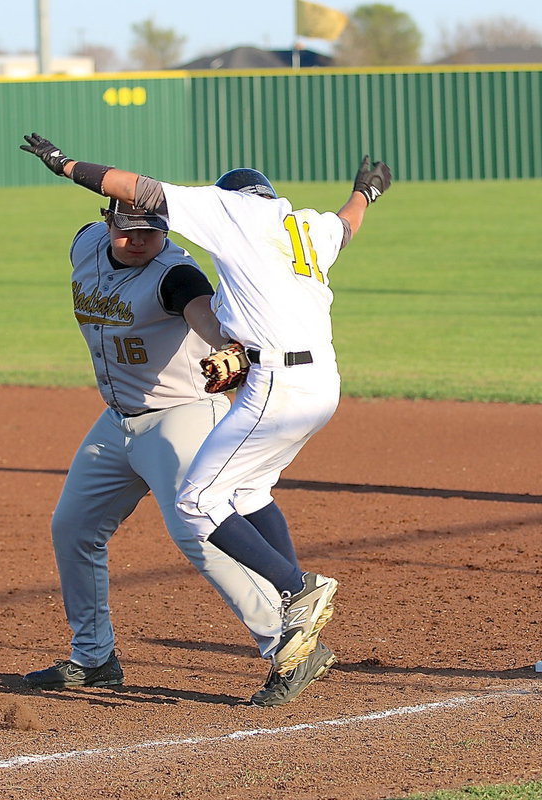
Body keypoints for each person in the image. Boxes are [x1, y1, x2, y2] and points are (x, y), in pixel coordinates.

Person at [20, 132, 391, 701]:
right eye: (127, 227)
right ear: (106, 221)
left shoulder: (179, 272)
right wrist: (365, 192)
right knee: (74, 527)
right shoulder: (87, 243)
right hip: (118, 419)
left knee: (198, 524)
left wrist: (65, 164)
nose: (138, 236)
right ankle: (93, 657)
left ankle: (290, 646)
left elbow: (202, 313)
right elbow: (342, 225)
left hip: (180, 415)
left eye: (152, 229)